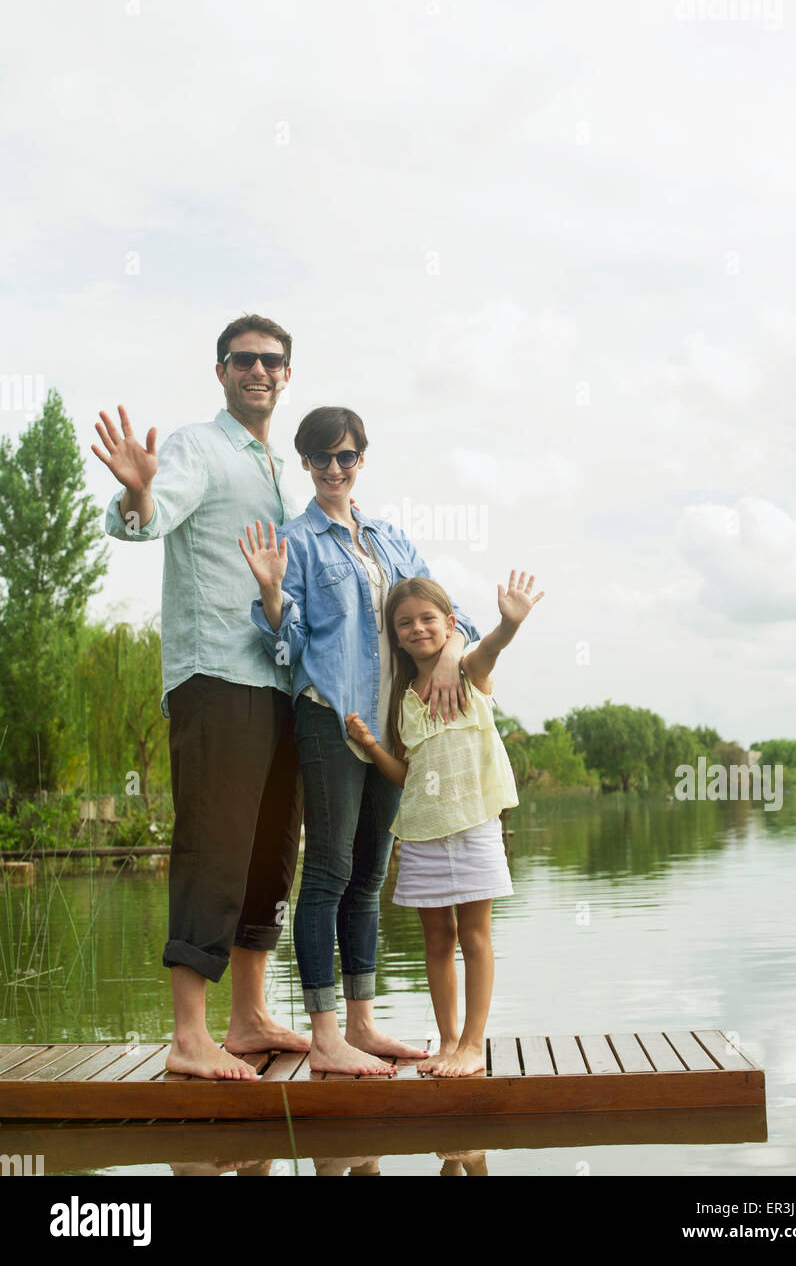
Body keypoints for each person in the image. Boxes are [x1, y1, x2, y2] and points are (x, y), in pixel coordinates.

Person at [92, 315, 309, 1081]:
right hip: (217, 676)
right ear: (221, 370)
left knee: (269, 855)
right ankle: (190, 1035)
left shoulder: (281, 469)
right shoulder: (197, 447)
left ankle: (248, 1018)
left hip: (280, 681)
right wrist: (138, 496)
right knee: (214, 849)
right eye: (245, 359)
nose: (260, 371)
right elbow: (146, 521)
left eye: (273, 361)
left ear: (288, 374)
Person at [240, 405, 480, 1075]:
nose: (335, 470)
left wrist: (450, 653)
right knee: (329, 872)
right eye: (322, 459)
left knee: (370, 875)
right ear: (307, 464)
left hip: (392, 729)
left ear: (361, 461)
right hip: (329, 717)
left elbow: (450, 614)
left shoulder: (391, 540)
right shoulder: (297, 542)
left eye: (346, 457)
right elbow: (281, 643)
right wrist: (268, 593)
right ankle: (324, 1037)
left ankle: (362, 1024)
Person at [345, 570, 543, 1077]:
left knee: (475, 936)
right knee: (437, 939)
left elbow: (491, 651)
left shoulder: (468, 672)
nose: (417, 629)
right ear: (395, 635)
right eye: (404, 623)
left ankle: (474, 1044)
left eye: (427, 618)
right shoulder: (403, 699)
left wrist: (508, 625)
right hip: (421, 831)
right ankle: (449, 1041)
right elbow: (405, 774)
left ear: (450, 623)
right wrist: (372, 748)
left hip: (473, 823)